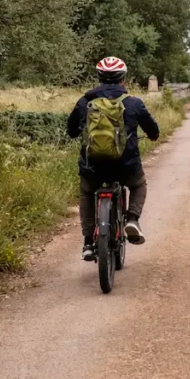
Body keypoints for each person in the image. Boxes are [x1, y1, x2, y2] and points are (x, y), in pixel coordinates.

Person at [67, 57, 160, 261]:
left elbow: (71, 130)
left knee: (86, 192)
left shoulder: (84, 102)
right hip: (125, 166)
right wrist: (153, 136)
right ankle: (133, 220)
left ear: (99, 77)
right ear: (123, 78)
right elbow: (153, 129)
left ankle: (88, 243)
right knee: (138, 185)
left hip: (93, 166)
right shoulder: (134, 103)